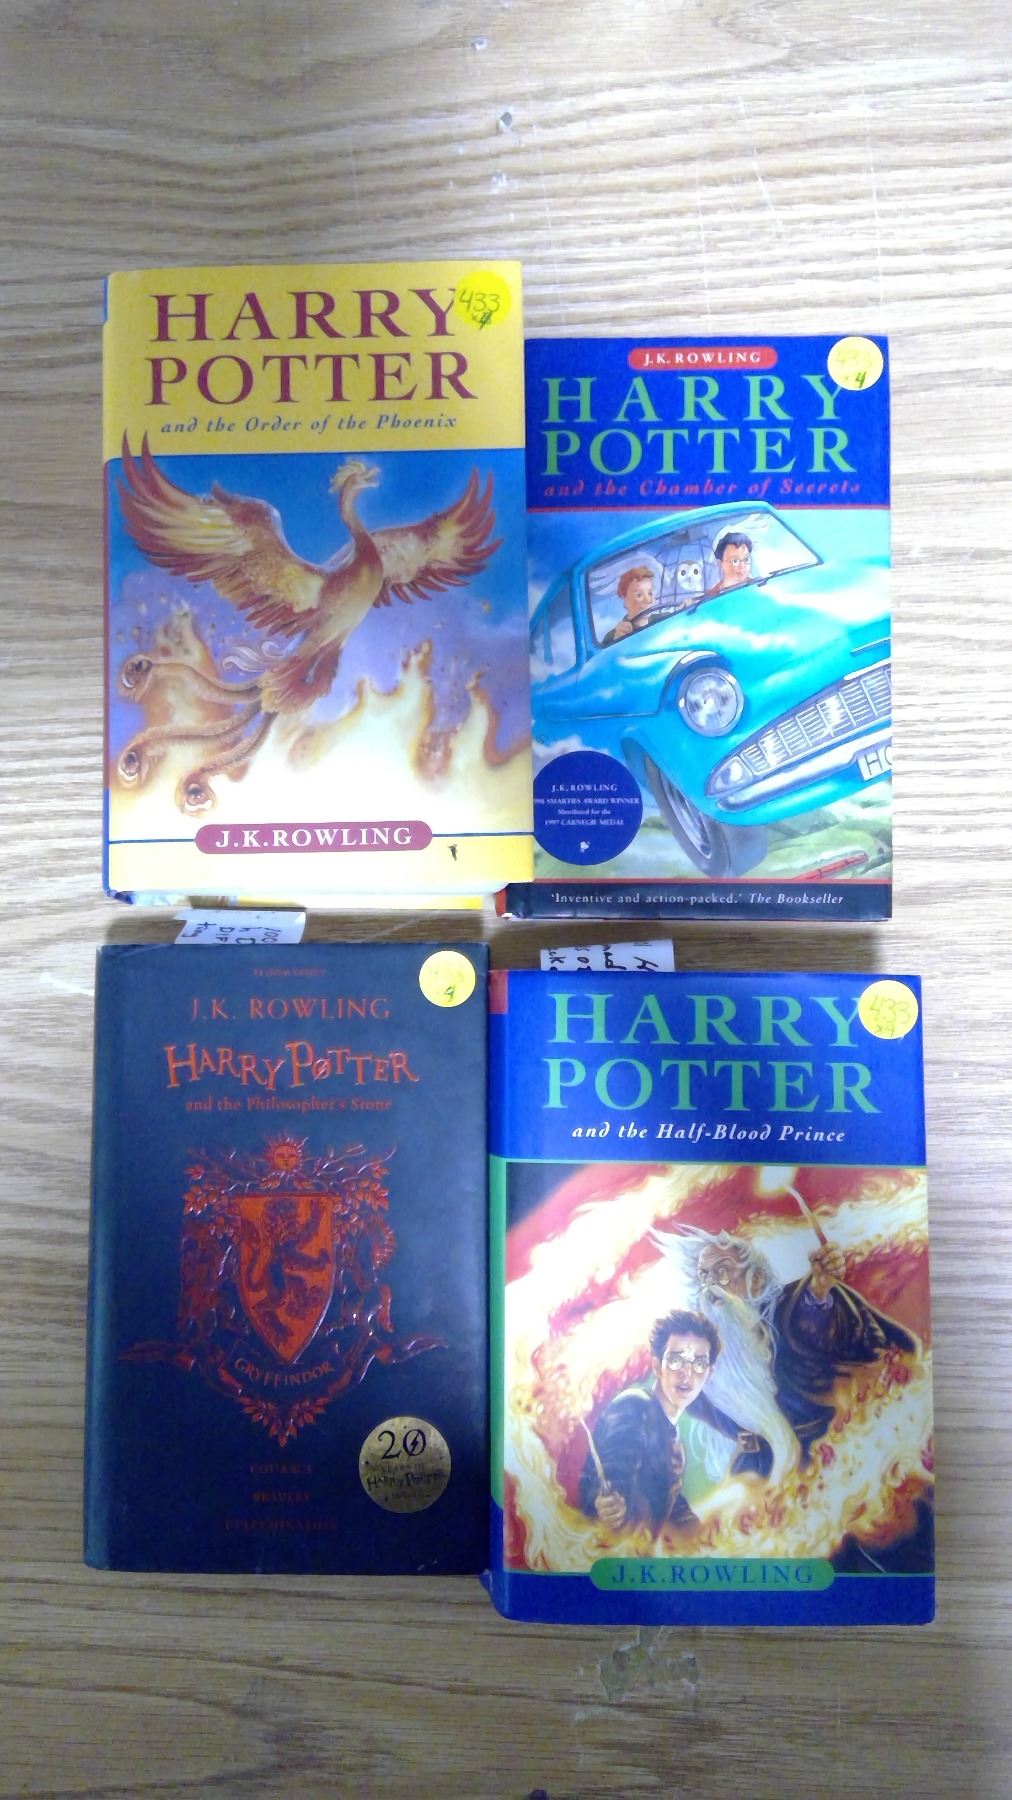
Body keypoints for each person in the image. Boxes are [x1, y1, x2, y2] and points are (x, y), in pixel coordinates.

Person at [658, 1227, 919, 1471]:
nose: (711, 1286)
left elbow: (807, 1320)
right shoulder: (699, 1356)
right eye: (704, 1276)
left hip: (824, 1452)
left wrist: (818, 1290)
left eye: (723, 1273)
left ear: (756, 1281)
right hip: (759, 1466)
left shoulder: (784, 1315)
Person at [578, 1309, 751, 1534]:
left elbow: (672, 1509)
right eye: (676, 1360)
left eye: (699, 1364)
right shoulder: (634, 1407)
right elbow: (609, 1485)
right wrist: (606, 1506)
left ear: (708, 1374)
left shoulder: (669, 1432)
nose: (687, 1374)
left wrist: (705, 1538)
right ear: (657, 1366)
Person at [602, 564, 664, 645]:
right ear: (626, 601)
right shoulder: (613, 637)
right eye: (639, 595)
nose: (649, 600)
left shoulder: (663, 619)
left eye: (650, 593)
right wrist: (617, 643)